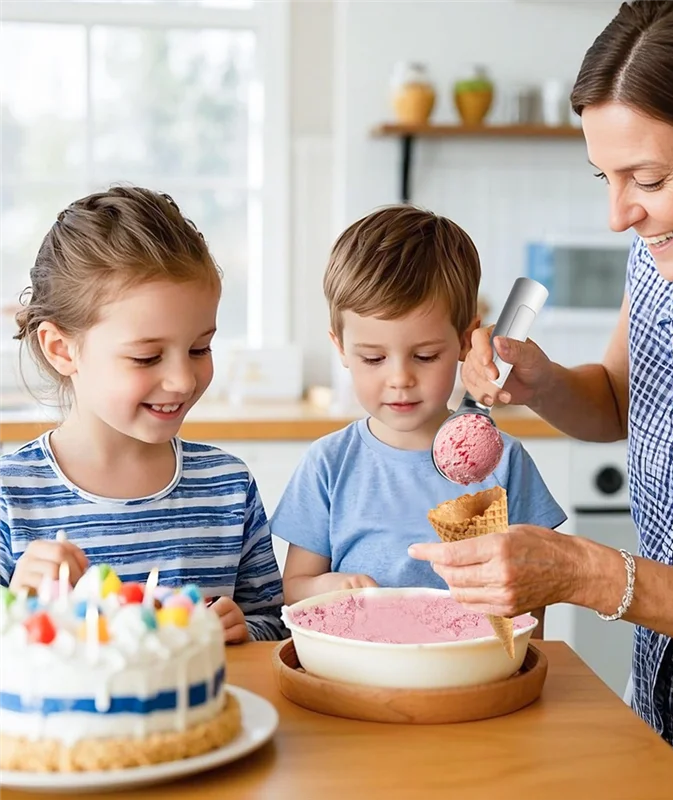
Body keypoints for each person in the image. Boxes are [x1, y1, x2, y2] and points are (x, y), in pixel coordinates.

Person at [409, 1, 673, 798]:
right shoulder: (664, 264)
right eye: (607, 178)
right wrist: (544, 382)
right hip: (655, 739)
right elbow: (622, 400)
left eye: (647, 179)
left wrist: (590, 576)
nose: (618, 213)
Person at [0, 187, 286, 644]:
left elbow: (275, 624)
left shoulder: (227, 487)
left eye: (199, 348)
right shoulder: (12, 496)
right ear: (61, 349)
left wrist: (242, 630)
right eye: (147, 357)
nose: (182, 380)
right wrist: (18, 606)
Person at [270, 205, 566, 630]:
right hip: (359, 671)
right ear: (341, 349)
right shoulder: (329, 464)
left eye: (425, 356)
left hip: (472, 672)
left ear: (466, 340)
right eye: (372, 358)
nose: (400, 379)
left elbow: (535, 599)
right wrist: (329, 587)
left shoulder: (505, 463)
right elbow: (294, 587)